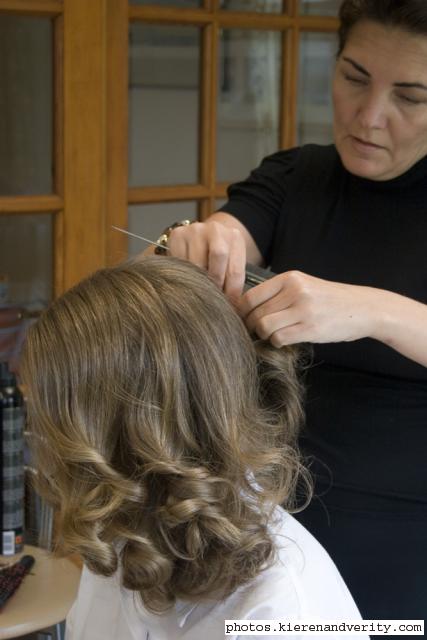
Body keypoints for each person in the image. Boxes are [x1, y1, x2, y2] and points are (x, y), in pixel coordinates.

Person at [153, 0, 427, 627]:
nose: (369, 115)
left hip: (408, 547)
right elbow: (229, 233)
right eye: (355, 77)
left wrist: (369, 310)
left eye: (410, 97)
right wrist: (201, 242)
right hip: (270, 533)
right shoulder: (297, 177)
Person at [21, 257, 367, 640]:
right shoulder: (128, 532)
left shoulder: (283, 615)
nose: (43, 439)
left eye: (51, 419)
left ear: (124, 439)